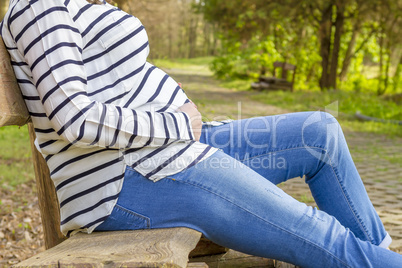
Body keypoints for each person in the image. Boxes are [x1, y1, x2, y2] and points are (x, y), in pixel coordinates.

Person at [1, 0, 401, 266]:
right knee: (322, 237)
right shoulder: (41, 7)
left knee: (320, 132)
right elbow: (74, 116)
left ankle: (377, 255)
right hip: (132, 174)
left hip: (174, 148)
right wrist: (177, 122)